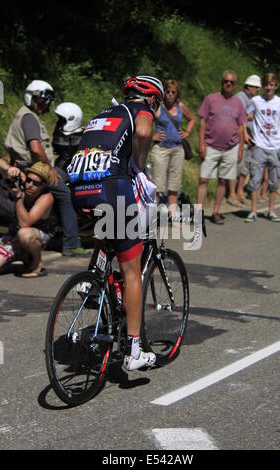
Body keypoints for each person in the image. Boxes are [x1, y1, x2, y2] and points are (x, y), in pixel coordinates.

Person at [68, 74, 164, 371]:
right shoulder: (141, 111)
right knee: (132, 270)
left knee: (108, 231)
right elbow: (145, 133)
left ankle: (95, 280)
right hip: (112, 188)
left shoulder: (103, 114)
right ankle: (134, 350)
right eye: (157, 103)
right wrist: (139, 161)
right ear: (151, 99)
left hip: (79, 188)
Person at [4, 80, 90, 257]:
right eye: (42, 101)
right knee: (65, 193)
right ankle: (71, 243)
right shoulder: (29, 118)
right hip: (32, 168)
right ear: (33, 99)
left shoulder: (26, 115)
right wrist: (50, 169)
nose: (45, 105)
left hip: (25, 166)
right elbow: (36, 148)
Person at [197, 70, 247, 224]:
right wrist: (201, 144)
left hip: (231, 147)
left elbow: (241, 127)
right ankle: (198, 213)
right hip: (211, 145)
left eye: (232, 82)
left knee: (222, 181)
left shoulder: (238, 103)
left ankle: (216, 212)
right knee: (203, 179)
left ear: (235, 84)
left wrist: (240, 150)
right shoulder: (211, 99)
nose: (228, 84)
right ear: (222, 82)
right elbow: (203, 122)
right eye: (226, 81)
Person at [244, 73, 280, 223]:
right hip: (259, 145)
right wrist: (245, 133)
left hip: (275, 146)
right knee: (255, 179)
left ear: (275, 86)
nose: (269, 88)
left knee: (274, 181)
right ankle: (253, 211)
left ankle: (271, 211)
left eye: (272, 85)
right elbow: (243, 116)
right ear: (263, 86)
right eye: (266, 85)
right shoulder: (256, 101)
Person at [0, 159, 54, 277]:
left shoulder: (46, 198)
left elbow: (25, 223)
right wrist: (9, 170)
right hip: (12, 236)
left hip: (34, 236)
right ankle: (16, 258)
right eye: (29, 180)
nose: (30, 185)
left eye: (36, 183)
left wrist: (18, 197)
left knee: (24, 234)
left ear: (43, 186)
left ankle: (37, 263)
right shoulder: (22, 181)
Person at [150, 79, 195, 219]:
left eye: (173, 92)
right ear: (164, 92)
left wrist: (187, 132)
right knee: (157, 185)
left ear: (177, 93)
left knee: (174, 185)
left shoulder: (181, 106)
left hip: (177, 149)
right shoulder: (157, 107)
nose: (170, 94)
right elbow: (143, 121)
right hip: (161, 149)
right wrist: (152, 136)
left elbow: (192, 119)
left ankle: (173, 215)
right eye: (168, 91)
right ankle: (151, 217)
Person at [228, 74, 262, 206]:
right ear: (249, 86)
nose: (258, 90)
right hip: (240, 136)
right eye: (256, 87)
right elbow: (238, 116)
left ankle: (240, 192)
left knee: (245, 167)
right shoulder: (240, 97)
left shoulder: (252, 98)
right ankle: (232, 194)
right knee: (237, 165)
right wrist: (254, 116)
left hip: (250, 137)